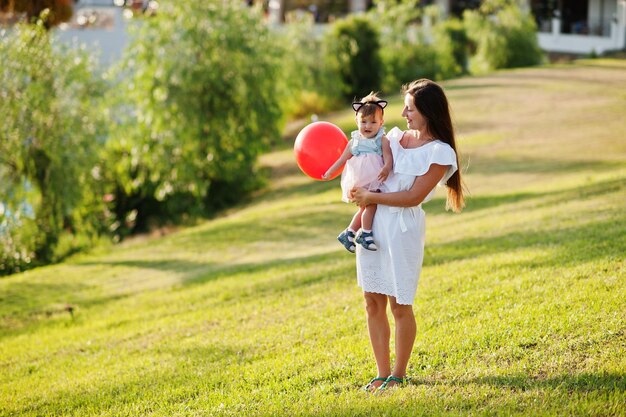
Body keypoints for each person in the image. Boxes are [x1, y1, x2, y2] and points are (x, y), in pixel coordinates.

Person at [350, 79, 465, 392]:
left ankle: (397, 375)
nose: (403, 113)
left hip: (402, 231)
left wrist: (371, 199)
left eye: (410, 108)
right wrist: (358, 189)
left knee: (400, 305)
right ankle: (381, 373)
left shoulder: (440, 153)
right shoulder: (396, 138)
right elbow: (369, 162)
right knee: (372, 301)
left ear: (427, 112)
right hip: (373, 226)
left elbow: (413, 196)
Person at [322, 93, 393, 253]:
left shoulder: (382, 140)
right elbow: (341, 161)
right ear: (356, 121)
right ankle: (365, 234)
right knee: (371, 205)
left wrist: (387, 168)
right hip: (360, 181)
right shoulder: (354, 142)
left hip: (375, 178)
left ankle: (349, 233)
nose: (368, 126)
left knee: (364, 209)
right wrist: (330, 173)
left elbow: (388, 157)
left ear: (381, 123)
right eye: (363, 121)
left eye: (373, 122)